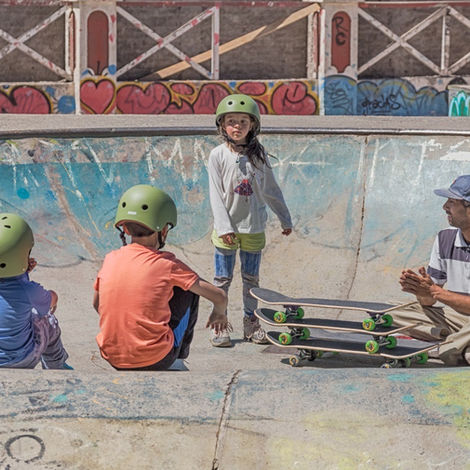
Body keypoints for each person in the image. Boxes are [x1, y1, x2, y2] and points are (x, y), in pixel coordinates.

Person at [93, 184, 230, 370]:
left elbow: (97, 304)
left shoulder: (110, 259)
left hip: (113, 357)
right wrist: (219, 313)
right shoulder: (167, 264)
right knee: (188, 288)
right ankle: (178, 360)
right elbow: (220, 297)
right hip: (156, 359)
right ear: (163, 230)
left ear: (125, 229)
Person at [208, 94, 293, 347]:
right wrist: (224, 228)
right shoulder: (217, 155)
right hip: (226, 230)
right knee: (222, 280)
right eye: (231, 121)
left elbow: (270, 189)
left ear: (253, 125)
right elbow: (215, 194)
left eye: (243, 121)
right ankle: (219, 325)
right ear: (222, 125)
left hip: (253, 228)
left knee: (251, 280)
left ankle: (251, 323)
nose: (237, 126)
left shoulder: (259, 155)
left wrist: (284, 218)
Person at [395, 175, 470, 366]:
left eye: (452, 202)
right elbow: (429, 301)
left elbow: (439, 294)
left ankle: (448, 347)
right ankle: (459, 344)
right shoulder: (445, 239)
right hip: (458, 319)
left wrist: (437, 292)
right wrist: (423, 292)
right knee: (391, 312)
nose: (445, 207)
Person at [0, 213, 71, 370]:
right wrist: (54, 297)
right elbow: (50, 300)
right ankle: (56, 367)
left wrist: (22, 273)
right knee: (49, 321)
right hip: (22, 360)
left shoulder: (25, 289)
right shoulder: (29, 290)